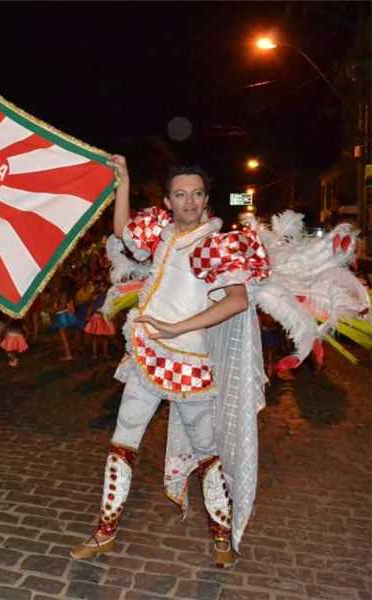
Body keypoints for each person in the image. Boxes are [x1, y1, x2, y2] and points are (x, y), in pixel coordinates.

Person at [71, 159, 265, 567]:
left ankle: (221, 537)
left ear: (207, 199)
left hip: (190, 363)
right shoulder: (161, 231)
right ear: (168, 200)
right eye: (180, 194)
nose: (189, 201)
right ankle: (104, 531)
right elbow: (123, 233)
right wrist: (123, 181)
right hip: (146, 355)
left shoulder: (218, 244)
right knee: (122, 442)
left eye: (196, 193)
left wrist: (179, 328)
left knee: (207, 453)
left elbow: (237, 300)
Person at [84, 275, 116, 359]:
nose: (102, 288)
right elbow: (91, 307)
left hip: (105, 318)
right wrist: (88, 317)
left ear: (107, 288)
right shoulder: (96, 296)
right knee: (95, 337)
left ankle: (105, 353)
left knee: (105, 337)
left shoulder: (110, 297)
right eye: (101, 286)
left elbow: (112, 307)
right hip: (97, 318)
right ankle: (95, 354)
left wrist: (112, 316)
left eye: (104, 286)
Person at [53, 277, 78, 361]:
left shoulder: (63, 293)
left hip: (62, 316)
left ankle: (68, 354)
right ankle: (69, 352)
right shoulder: (67, 293)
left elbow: (63, 305)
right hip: (65, 315)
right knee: (66, 336)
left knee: (64, 337)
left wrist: (54, 310)